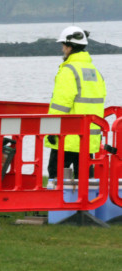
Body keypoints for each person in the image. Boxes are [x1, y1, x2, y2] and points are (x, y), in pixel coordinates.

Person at [45, 26, 106, 179]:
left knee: (56, 176)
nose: (62, 49)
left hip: (67, 137)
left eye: (63, 46)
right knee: (86, 181)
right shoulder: (95, 71)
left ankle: (61, 203)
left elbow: (61, 103)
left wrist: (52, 129)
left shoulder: (68, 71)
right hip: (88, 137)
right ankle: (88, 203)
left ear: (69, 46)